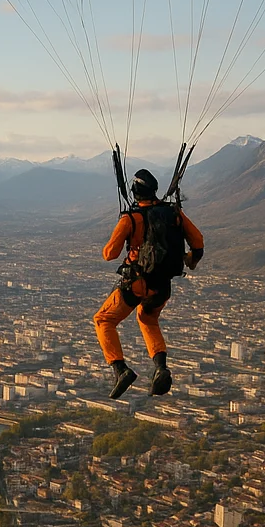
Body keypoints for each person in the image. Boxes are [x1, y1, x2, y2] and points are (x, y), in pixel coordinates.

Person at [94, 168, 204, 400]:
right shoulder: (173, 213)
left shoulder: (131, 219)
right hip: (162, 284)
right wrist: (191, 260)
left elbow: (109, 254)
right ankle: (161, 368)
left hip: (136, 283)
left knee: (104, 320)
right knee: (148, 319)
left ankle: (120, 369)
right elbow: (198, 241)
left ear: (135, 192)